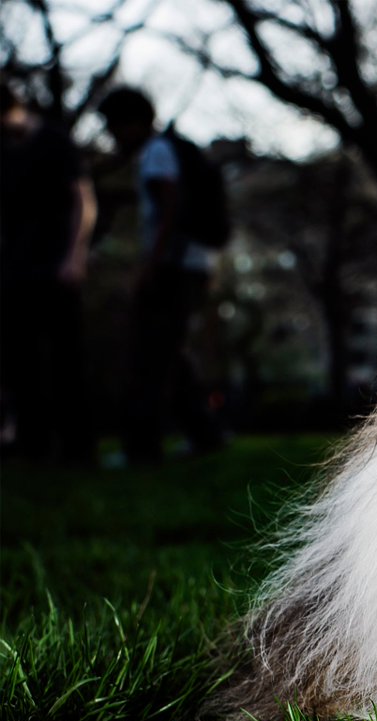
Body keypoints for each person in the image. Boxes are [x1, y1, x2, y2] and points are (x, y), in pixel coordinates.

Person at [96, 86, 223, 464]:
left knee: (147, 357)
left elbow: (171, 204)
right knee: (170, 353)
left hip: (172, 266)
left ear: (131, 122)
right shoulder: (169, 148)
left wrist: (150, 264)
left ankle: (142, 448)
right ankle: (204, 435)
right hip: (189, 264)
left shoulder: (156, 153)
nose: (111, 136)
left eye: (112, 126)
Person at [0, 81, 98, 463]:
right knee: (21, 363)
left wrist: (75, 257)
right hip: (15, 268)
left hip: (58, 265)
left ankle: (79, 452)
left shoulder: (55, 141)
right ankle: (34, 450)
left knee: (67, 362)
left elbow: (83, 200)